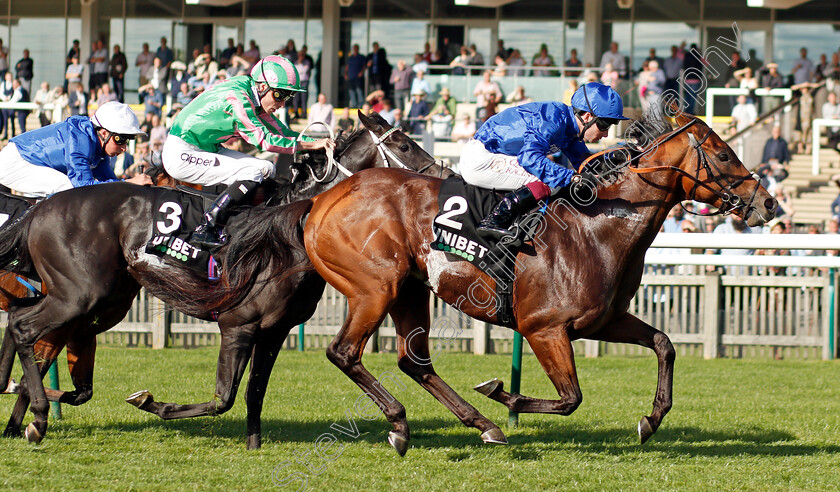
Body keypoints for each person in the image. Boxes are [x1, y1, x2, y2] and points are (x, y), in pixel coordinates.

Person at [162, 55, 334, 248]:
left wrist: (320, 142)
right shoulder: (239, 99)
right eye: (280, 95)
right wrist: (311, 146)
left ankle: (247, 220)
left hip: (205, 149)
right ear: (262, 86)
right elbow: (265, 142)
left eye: (288, 96)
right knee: (251, 173)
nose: (283, 103)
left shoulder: (251, 90)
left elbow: (282, 131)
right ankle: (206, 227)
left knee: (267, 168)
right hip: (182, 152)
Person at [459, 82, 627, 239]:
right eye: (605, 125)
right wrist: (572, 177)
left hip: (497, 156)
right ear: (588, 116)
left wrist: (622, 157)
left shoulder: (568, 125)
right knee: (552, 182)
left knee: (558, 178)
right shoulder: (553, 120)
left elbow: (586, 163)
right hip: (481, 159)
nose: (605, 134)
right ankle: (495, 220)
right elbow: (529, 158)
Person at [0, 101, 152, 197]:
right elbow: (83, 186)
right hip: (14, 163)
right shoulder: (79, 141)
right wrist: (130, 183)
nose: (124, 148)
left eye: (128, 140)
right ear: (104, 133)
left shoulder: (99, 146)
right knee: (67, 187)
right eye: (121, 139)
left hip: (29, 161)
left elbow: (109, 183)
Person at [345, 44, 366, 108]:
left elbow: (364, 66)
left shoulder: (361, 57)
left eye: (356, 48)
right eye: (354, 48)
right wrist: (345, 74)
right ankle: (354, 105)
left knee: (358, 90)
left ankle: (360, 105)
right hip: (351, 77)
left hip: (358, 77)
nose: (355, 50)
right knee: (351, 91)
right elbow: (347, 66)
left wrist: (362, 72)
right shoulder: (351, 58)